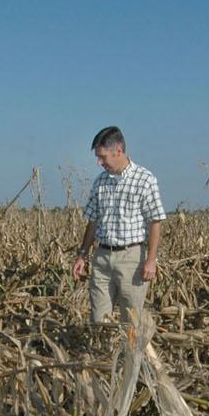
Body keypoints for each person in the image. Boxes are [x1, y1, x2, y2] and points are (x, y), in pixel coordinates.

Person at [73, 126, 166, 322]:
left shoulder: (145, 179)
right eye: (97, 157)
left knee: (131, 320)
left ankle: (134, 354)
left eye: (103, 157)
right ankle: (105, 352)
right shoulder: (100, 182)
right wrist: (82, 255)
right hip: (102, 258)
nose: (99, 162)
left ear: (119, 151)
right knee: (99, 320)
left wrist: (151, 260)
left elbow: (155, 221)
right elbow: (93, 222)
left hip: (131, 258)